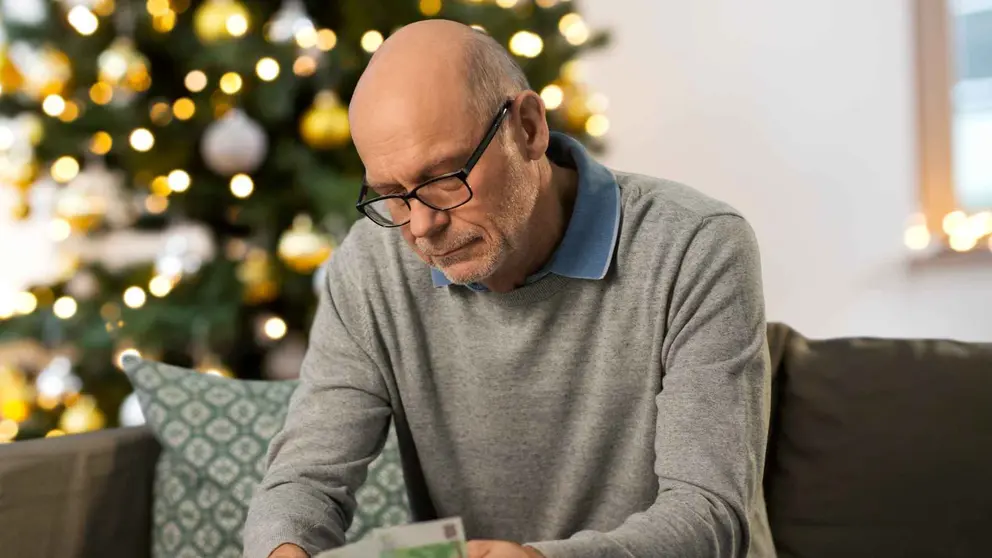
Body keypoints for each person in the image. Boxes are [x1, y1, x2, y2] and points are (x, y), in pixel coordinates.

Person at [243, 18, 775, 558]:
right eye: (392, 195)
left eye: (446, 177)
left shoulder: (695, 246)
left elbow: (709, 516)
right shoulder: (371, 267)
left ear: (527, 128)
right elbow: (304, 483)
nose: (422, 227)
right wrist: (284, 548)